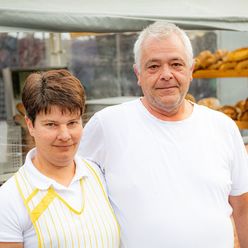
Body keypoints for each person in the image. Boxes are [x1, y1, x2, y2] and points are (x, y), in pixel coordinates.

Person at [79, 22, 248, 248]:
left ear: (191, 70)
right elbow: (76, 197)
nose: (166, 74)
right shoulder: (107, 125)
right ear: (138, 74)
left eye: (176, 64)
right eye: (153, 66)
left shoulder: (223, 127)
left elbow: (243, 208)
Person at [0, 69, 120, 248]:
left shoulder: (100, 175)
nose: (64, 135)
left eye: (72, 123)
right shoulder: (11, 198)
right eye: (51, 125)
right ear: (30, 125)